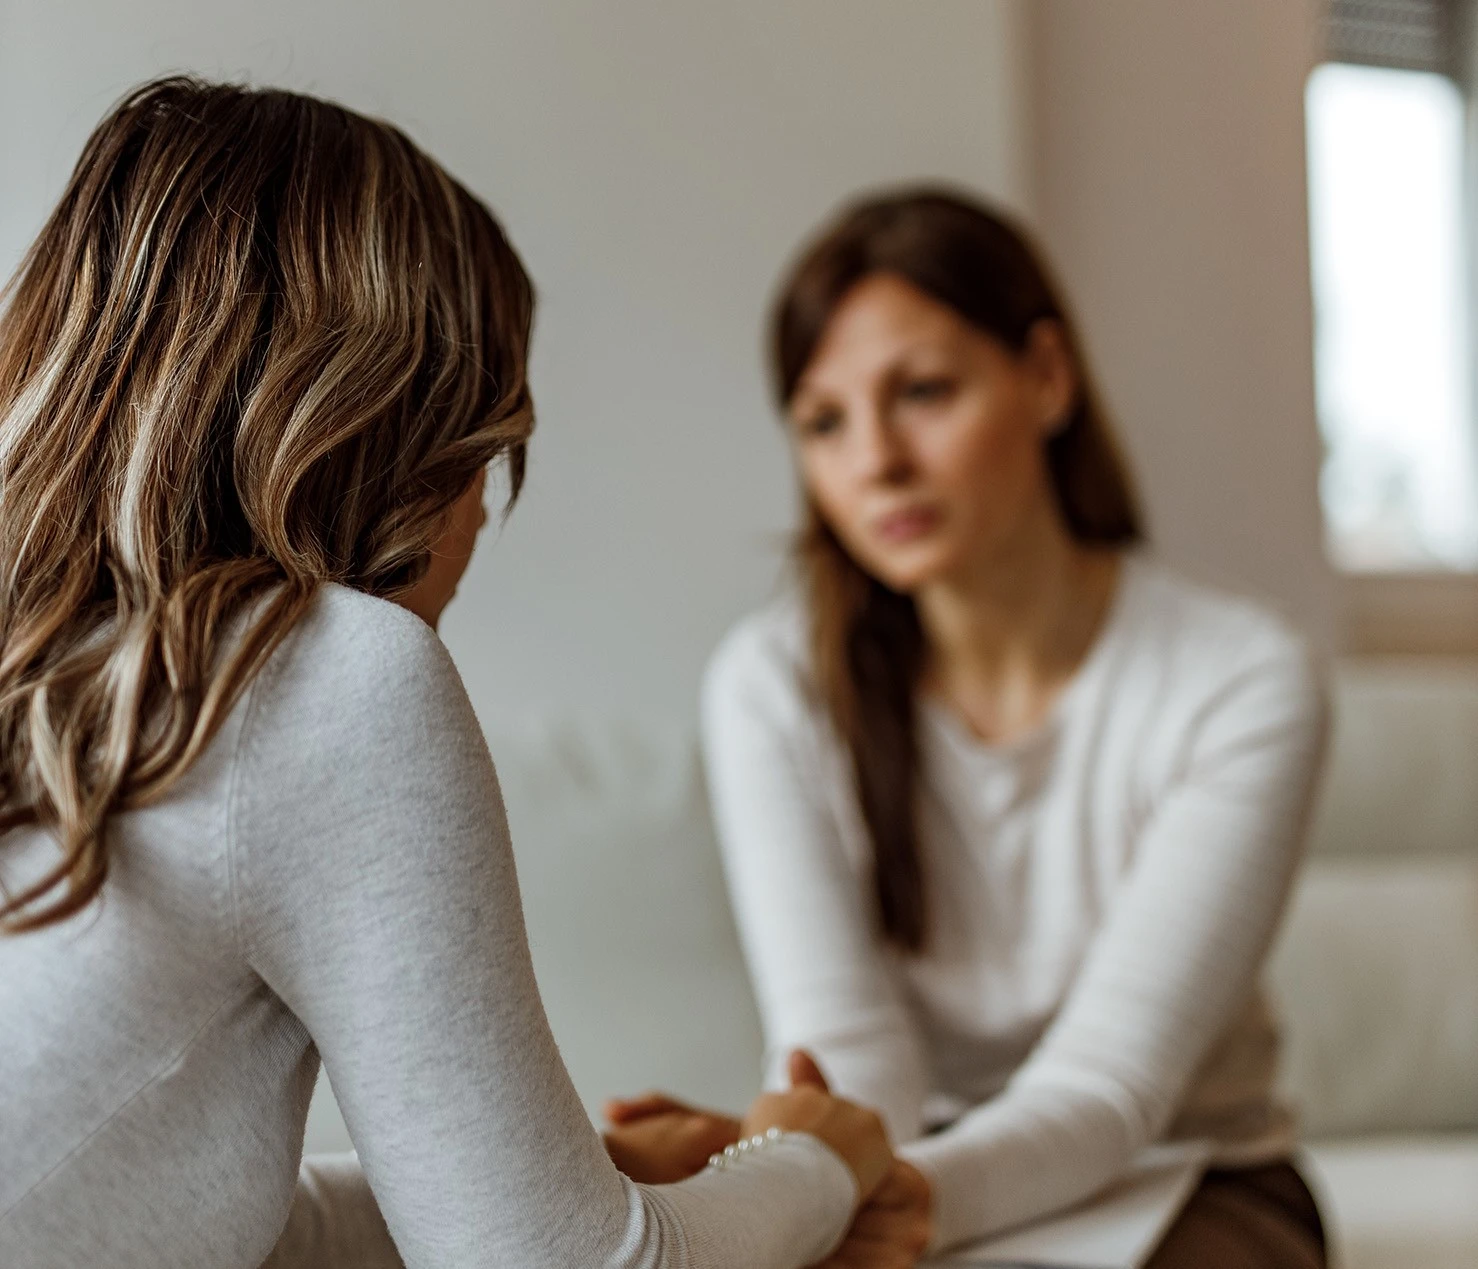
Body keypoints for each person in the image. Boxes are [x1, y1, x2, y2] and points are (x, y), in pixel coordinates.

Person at [0, 78, 931, 1269]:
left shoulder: (72, 667)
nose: (483, 515)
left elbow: (172, 1224)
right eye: (487, 450)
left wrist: (568, 1182)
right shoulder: (319, 672)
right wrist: (816, 1157)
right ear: (403, 430)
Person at [609, 190, 1329, 1268]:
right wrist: (793, 1175)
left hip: (1188, 1174)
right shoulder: (771, 684)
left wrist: (842, 1187)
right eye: (824, 422)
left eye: (924, 393)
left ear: (1044, 378)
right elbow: (849, 1046)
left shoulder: (1238, 680)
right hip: (904, 1162)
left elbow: (1111, 1086)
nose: (876, 459)